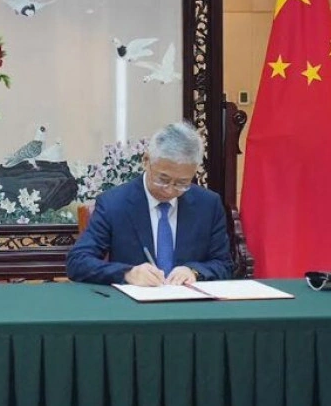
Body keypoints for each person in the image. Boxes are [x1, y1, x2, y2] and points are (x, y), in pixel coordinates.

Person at [67, 120, 233, 286]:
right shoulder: (114, 204)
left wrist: (194, 271)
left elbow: (224, 264)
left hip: (189, 300)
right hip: (133, 301)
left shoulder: (208, 205)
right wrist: (127, 273)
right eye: (163, 179)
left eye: (182, 183)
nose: (169, 190)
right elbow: (78, 262)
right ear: (146, 161)